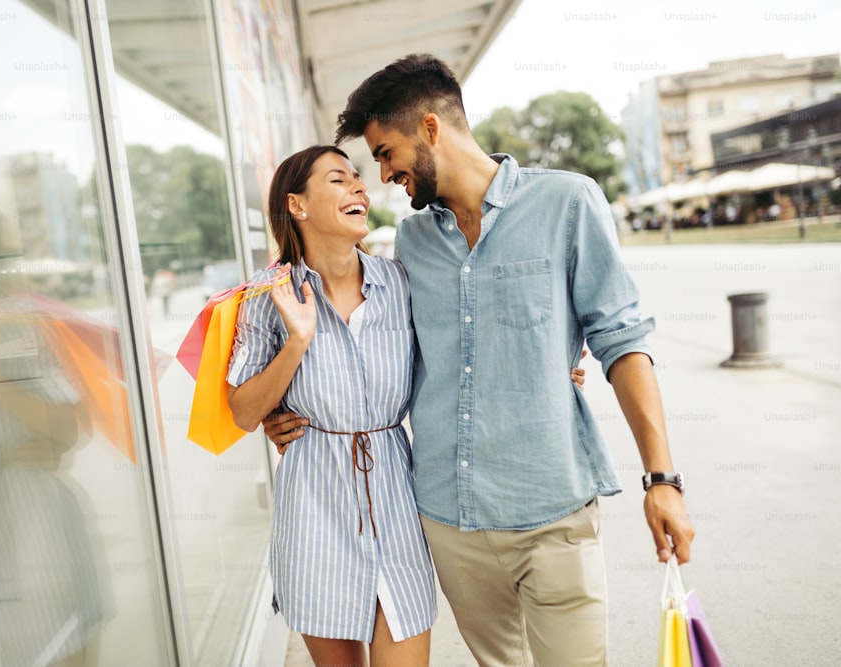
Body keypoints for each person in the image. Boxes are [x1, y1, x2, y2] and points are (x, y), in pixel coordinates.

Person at [264, 54, 695, 666]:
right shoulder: (413, 243)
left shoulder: (567, 203)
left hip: (552, 512)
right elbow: (373, 347)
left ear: (431, 129)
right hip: (449, 520)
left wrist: (662, 480)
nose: (383, 174)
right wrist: (278, 408)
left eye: (387, 152)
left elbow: (622, 341)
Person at [225, 145, 435, 666]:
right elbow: (245, 411)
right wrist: (295, 343)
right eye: (339, 180)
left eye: (359, 179)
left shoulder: (401, 285)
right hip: (314, 508)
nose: (360, 188)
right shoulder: (265, 297)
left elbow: (456, 355)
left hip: (397, 499)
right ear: (297, 205)